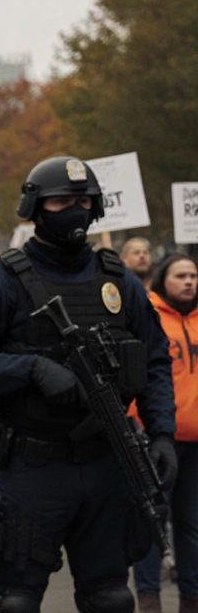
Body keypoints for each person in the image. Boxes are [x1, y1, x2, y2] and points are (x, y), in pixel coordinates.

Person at [0, 156, 177, 612]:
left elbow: (154, 362)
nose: (75, 208)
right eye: (61, 201)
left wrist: (162, 433)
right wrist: (31, 370)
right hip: (34, 467)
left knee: (110, 596)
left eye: (84, 200)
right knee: (17, 600)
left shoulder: (119, 281)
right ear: (35, 207)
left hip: (109, 463)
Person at [133, 254, 198, 613]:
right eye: (180, 275)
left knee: (190, 524)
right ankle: (149, 598)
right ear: (162, 280)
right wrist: (141, 429)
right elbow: (139, 380)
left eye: (193, 275)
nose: (189, 281)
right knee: (153, 521)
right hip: (158, 442)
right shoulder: (149, 317)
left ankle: (191, 595)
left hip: (196, 444)